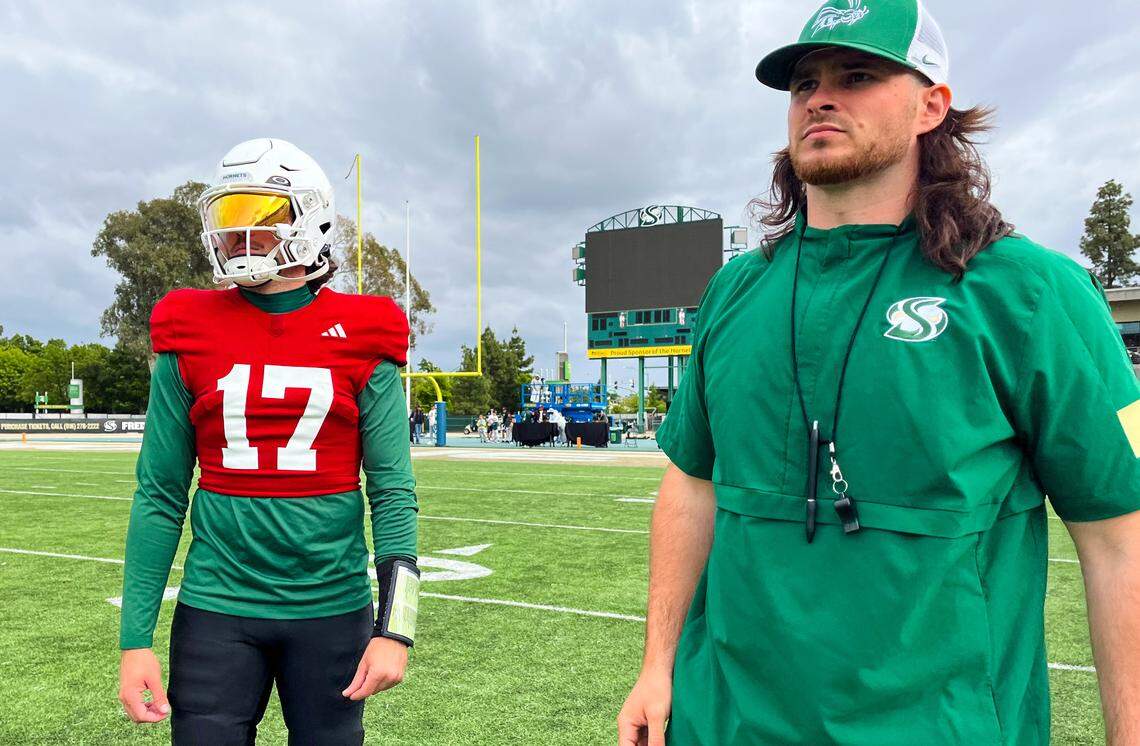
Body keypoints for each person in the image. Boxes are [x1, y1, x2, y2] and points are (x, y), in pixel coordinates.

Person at [618, 2, 1140, 743]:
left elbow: (1121, 539)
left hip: (938, 726)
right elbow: (691, 487)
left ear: (932, 106)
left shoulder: (1033, 292)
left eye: (858, 76)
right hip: (724, 722)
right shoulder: (735, 291)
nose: (821, 98)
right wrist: (656, 665)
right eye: (805, 84)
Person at [118, 138, 421, 744]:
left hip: (332, 606)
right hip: (216, 606)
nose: (238, 234)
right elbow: (160, 493)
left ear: (310, 218)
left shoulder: (368, 328)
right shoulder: (187, 323)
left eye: (258, 214)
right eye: (228, 216)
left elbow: (393, 491)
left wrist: (397, 628)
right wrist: (134, 640)